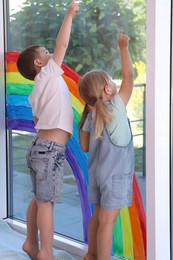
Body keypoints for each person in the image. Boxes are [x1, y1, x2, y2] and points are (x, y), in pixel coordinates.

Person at [17, 1, 79, 260]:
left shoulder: (37, 89)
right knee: (46, 203)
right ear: (39, 63)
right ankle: (45, 252)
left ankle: (31, 243)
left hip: (39, 148)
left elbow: (37, 117)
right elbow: (63, 44)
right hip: (49, 151)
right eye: (46, 52)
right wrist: (70, 13)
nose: (52, 52)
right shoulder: (49, 74)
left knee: (38, 199)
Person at [78, 32, 134, 260]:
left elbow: (83, 146)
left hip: (98, 176)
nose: (116, 83)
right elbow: (129, 77)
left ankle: (90, 255)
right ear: (108, 91)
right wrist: (123, 47)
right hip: (115, 177)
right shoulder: (116, 108)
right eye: (112, 81)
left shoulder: (91, 116)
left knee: (98, 217)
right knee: (108, 223)